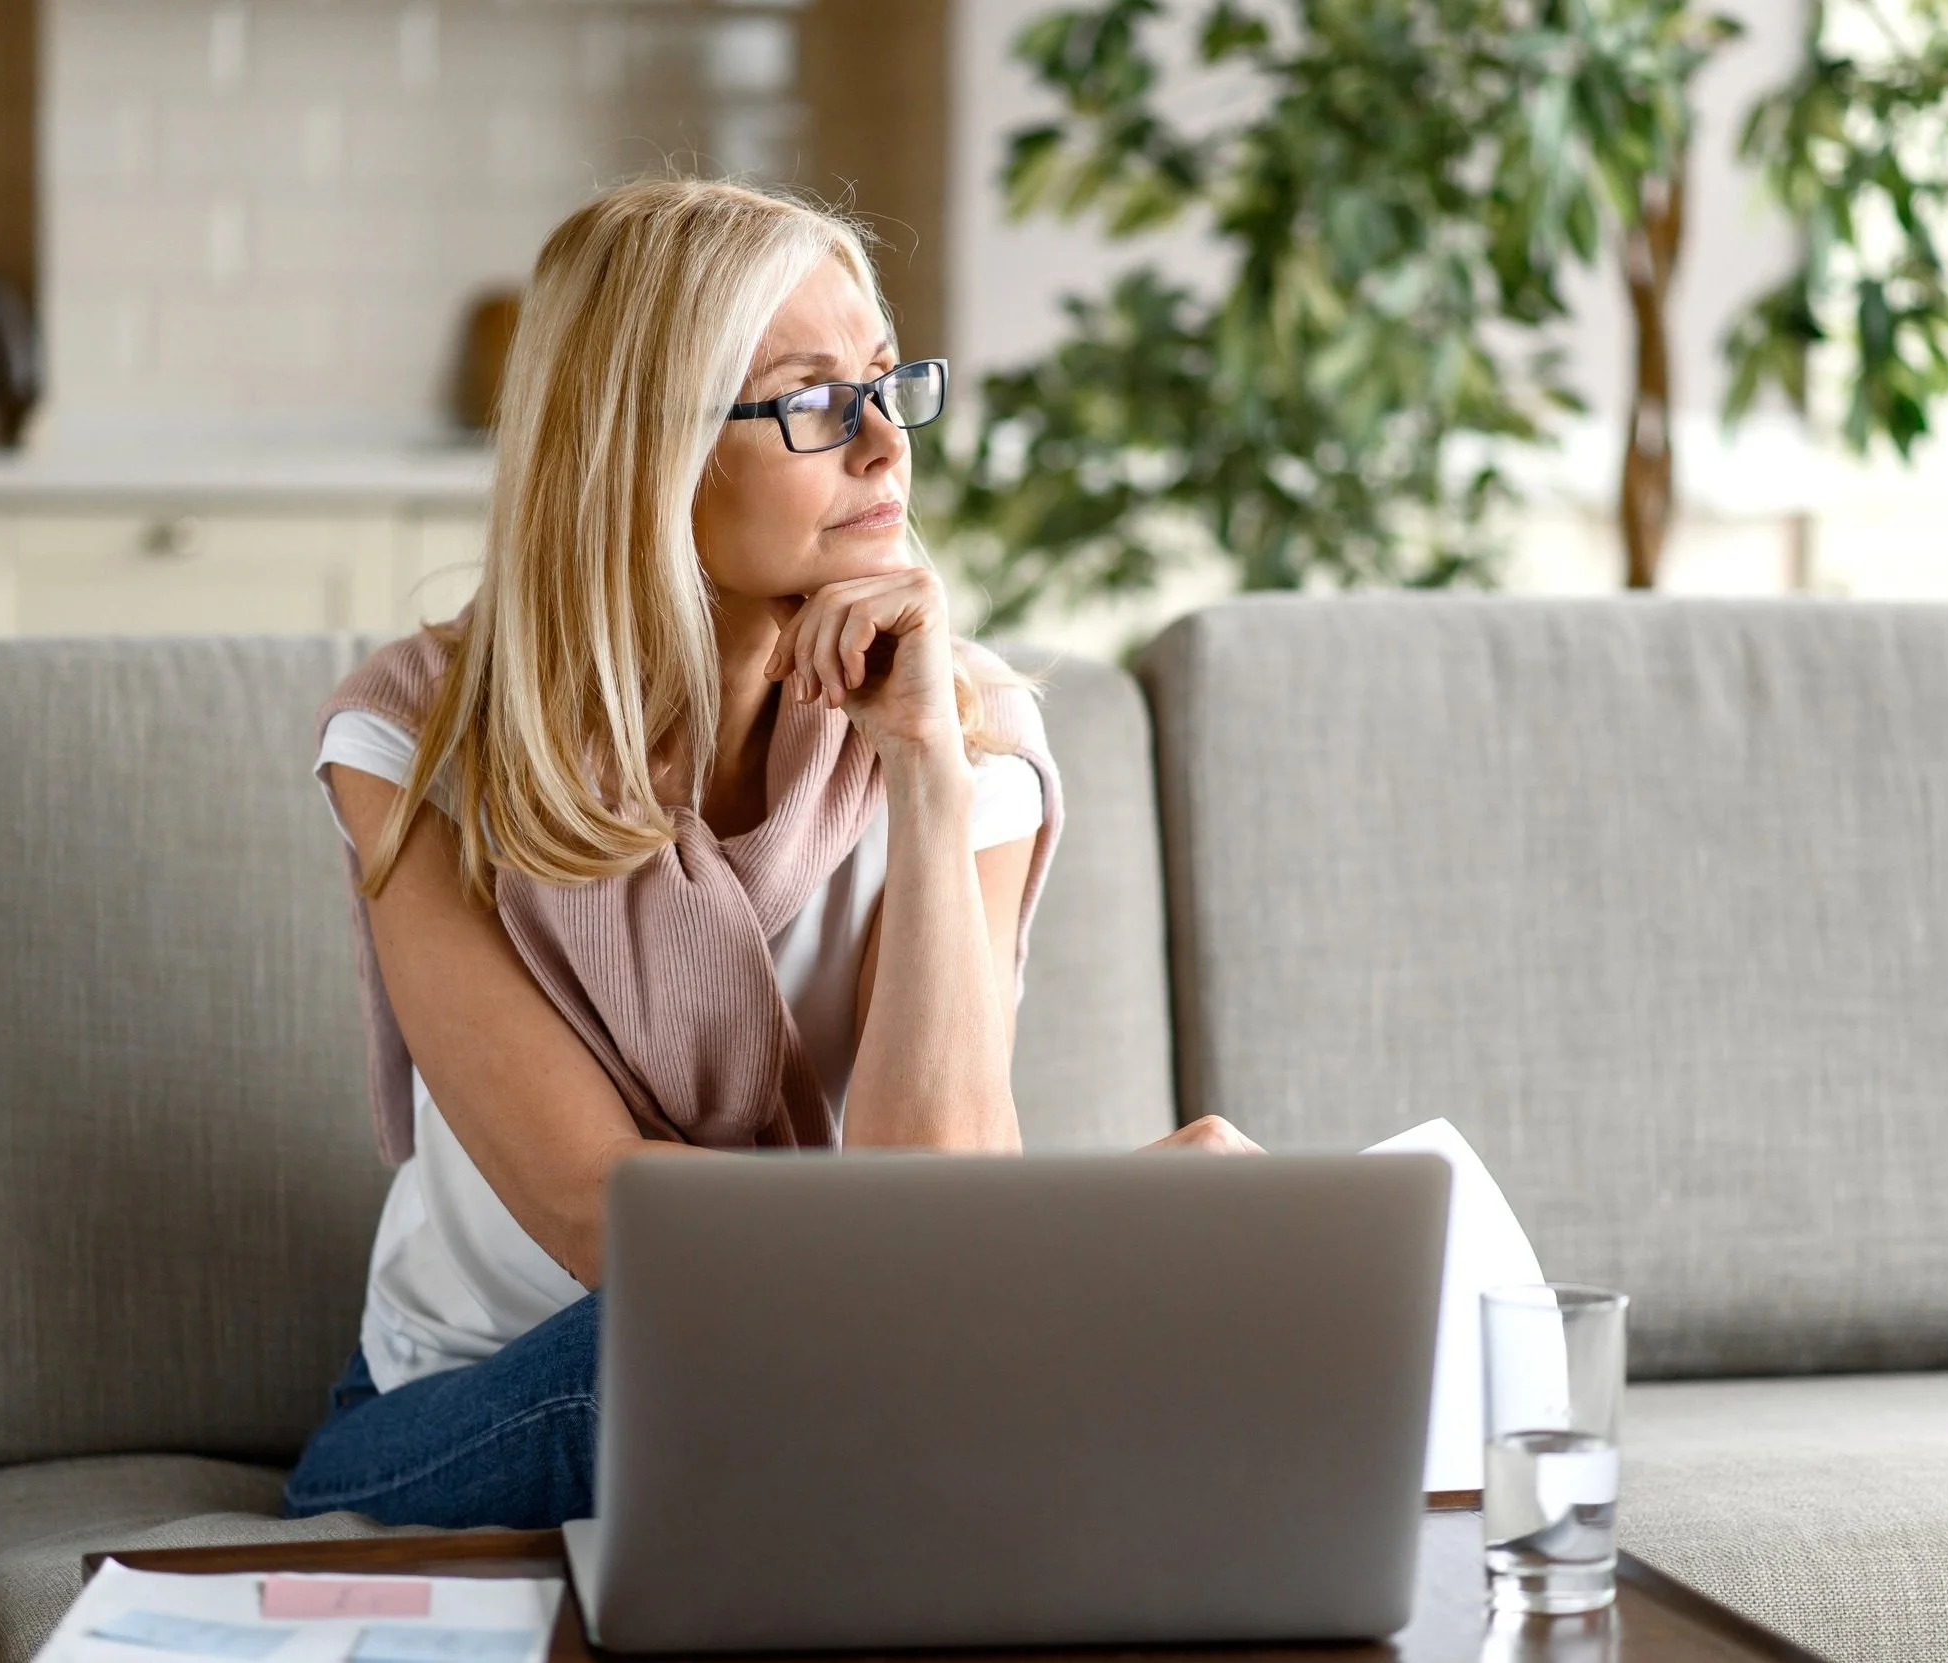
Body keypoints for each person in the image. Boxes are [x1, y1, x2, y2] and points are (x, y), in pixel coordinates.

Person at [283, 179, 1260, 1532]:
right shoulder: (421, 747)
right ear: (645, 453)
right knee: (681, 1361)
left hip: (821, 1373)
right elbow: (602, 1217)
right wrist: (1091, 1250)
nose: (883, 448)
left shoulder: (969, 733)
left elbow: (946, 1197)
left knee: (850, 1378)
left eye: (887, 382)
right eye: (812, 398)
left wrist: (925, 766)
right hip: (491, 1404)